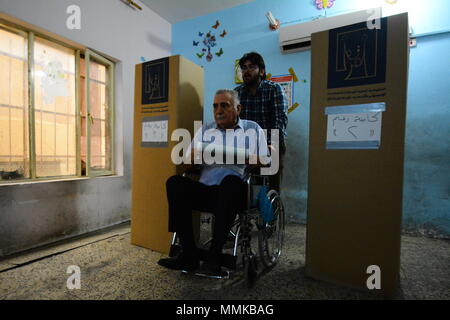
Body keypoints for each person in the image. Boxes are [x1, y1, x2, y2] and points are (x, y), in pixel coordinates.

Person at [157, 89, 269, 276]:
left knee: (231, 182)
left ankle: (214, 256)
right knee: (175, 183)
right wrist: (191, 157)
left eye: (224, 105)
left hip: (234, 192)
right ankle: (188, 254)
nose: (219, 110)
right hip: (206, 190)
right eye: (215, 106)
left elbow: (265, 159)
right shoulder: (206, 130)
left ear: (238, 108)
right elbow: (186, 163)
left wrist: (246, 157)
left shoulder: (252, 129)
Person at [235, 52, 288, 193]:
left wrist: (269, 147)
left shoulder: (274, 89)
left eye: (251, 67)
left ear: (262, 71)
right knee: (240, 183)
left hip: (272, 142)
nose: (247, 71)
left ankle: (271, 212)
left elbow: (279, 120)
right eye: (244, 68)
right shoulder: (237, 93)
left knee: (271, 185)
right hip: (247, 145)